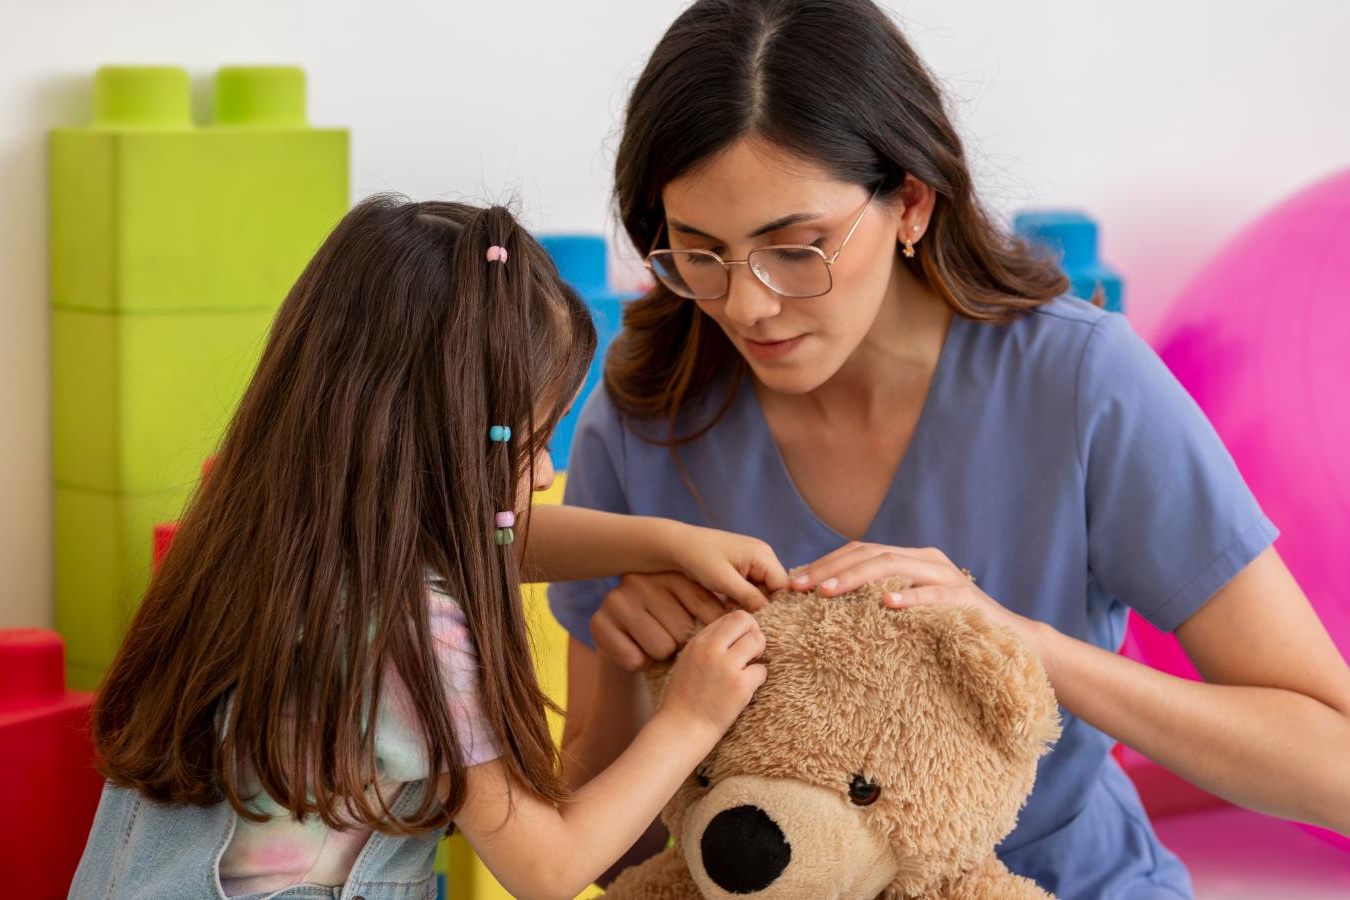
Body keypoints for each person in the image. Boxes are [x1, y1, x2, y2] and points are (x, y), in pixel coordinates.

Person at [550, 2, 1350, 897]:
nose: (747, 306)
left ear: (911, 204)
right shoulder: (645, 408)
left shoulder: (1081, 383)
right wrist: (627, 676)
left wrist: (1024, 646)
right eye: (699, 254)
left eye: (795, 249)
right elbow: (607, 855)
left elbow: (1335, 766)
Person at [69, 195, 799, 900]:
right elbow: (548, 870)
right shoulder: (413, 635)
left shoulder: (269, 538)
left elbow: (472, 541)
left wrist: (666, 543)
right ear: (442, 441)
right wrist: (689, 721)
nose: (545, 472)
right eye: (533, 442)